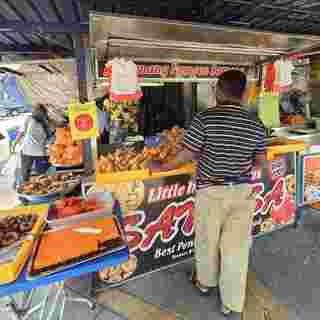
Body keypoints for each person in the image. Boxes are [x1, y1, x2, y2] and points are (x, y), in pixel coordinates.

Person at [149, 70, 266, 316]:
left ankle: (205, 283)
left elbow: (186, 155)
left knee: (207, 240)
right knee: (236, 250)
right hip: (242, 192)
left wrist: (161, 167)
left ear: (217, 91)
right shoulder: (256, 123)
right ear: (244, 94)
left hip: (211, 191)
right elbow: (260, 163)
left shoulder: (204, 119)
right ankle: (232, 304)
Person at [14, 104, 52, 184]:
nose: (36, 112)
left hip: (41, 152)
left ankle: (41, 190)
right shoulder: (29, 118)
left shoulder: (47, 121)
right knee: (25, 174)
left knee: (42, 175)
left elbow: (51, 134)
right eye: (35, 110)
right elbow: (21, 132)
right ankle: (25, 190)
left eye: (40, 111)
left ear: (44, 112)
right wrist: (14, 144)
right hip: (27, 150)